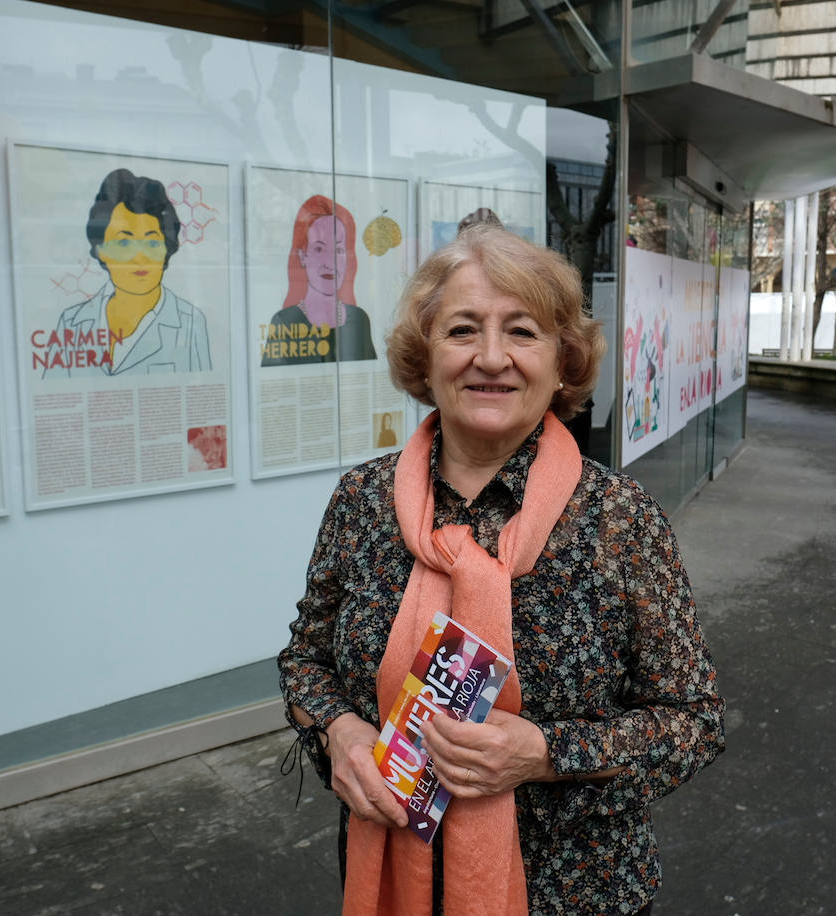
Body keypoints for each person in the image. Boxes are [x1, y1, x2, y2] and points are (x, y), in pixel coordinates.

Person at [278, 224, 724, 916]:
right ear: (423, 358)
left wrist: (545, 753)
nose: (492, 357)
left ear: (561, 362)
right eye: (462, 330)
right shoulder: (363, 502)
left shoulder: (618, 518)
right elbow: (305, 658)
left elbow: (693, 722)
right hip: (396, 880)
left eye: (521, 332)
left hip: (577, 893)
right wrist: (339, 732)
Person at [43, 169, 211, 377]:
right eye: (124, 242)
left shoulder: (190, 322)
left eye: (151, 242)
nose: (139, 256)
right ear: (100, 250)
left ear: (167, 249)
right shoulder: (71, 323)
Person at [261, 195, 377, 366]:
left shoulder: (359, 319)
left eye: (338, 250)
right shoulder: (285, 321)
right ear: (302, 256)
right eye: (319, 249)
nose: (330, 263)